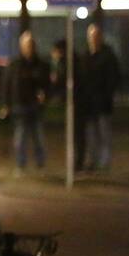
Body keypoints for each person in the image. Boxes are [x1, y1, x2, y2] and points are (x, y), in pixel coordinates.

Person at [0, 31, 49, 173]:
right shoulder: (15, 65)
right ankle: (21, 164)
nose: (29, 48)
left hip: (35, 107)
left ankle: (40, 164)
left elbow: (45, 84)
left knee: (38, 137)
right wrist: (6, 104)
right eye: (26, 45)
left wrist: (44, 96)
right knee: (20, 138)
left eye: (31, 45)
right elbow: (7, 86)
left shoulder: (40, 65)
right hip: (19, 107)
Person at [81, 23, 120, 172]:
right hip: (89, 104)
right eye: (91, 37)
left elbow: (113, 78)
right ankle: (93, 160)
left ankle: (104, 162)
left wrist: (107, 94)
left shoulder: (108, 56)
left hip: (103, 103)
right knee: (91, 135)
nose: (93, 39)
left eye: (96, 36)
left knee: (104, 134)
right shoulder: (86, 56)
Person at [51, 40, 86, 171]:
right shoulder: (73, 61)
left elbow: (60, 81)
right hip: (76, 102)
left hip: (76, 103)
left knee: (77, 135)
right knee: (77, 135)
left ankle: (78, 162)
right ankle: (77, 162)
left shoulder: (67, 63)